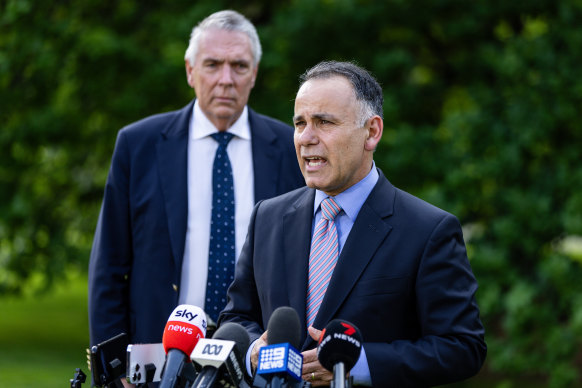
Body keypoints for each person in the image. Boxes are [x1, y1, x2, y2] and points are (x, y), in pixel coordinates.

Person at [219, 61, 487, 387]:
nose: (306, 137)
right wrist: (251, 354)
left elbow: (462, 347)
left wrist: (354, 363)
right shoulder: (268, 217)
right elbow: (237, 317)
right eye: (300, 123)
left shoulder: (429, 230)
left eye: (324, 122)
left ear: (372, 132)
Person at [88, 10, 304, 350]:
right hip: (159, 353)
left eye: (239, 66)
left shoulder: (291, 148)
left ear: (254, 74)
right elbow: (109, 266)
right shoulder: (138, 145)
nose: (226, 79)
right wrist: (114, 367)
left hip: (258, 352)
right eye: (212, 64)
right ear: (191, 71)